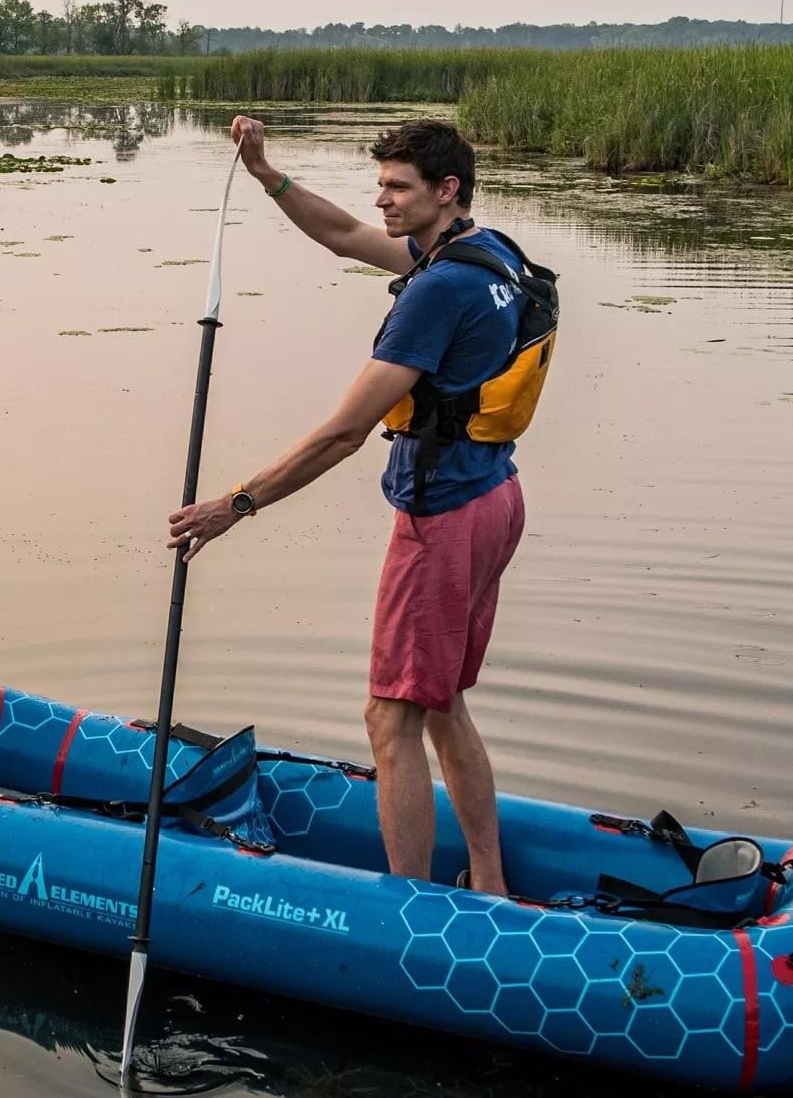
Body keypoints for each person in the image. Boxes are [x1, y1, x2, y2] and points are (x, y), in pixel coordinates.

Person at [166, 115, 532, 895]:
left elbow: (343, 433)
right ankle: (490, 879)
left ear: (447, 190)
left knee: (391, 717)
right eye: (382, 186)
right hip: (497, 497)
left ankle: (412, 916)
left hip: (445, 519)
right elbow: (342, 235)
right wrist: (267, 174)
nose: (385, 202)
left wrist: (236, 503)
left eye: (399, 189)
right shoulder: (488, 252)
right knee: (440, 703)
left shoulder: (436, 290)